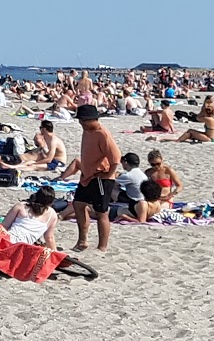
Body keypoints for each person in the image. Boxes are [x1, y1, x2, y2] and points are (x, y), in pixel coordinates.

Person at [61, 104, 121, 252]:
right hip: (87, 176)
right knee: (78, 204)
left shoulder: (103, 134)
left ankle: (102, 247)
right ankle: (83, 240)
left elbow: (116, 157)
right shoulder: (87, 131)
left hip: (102, 178)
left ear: (91, 119)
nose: (81, 123)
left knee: (101, 212)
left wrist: (108, 174)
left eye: (83, 120)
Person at [114, 152, 150, 222]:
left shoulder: (129, 175)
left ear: (126, 162)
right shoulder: (141, 174)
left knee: (112, 189)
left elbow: (113, 183)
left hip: (133, 201)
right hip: (142, 199)